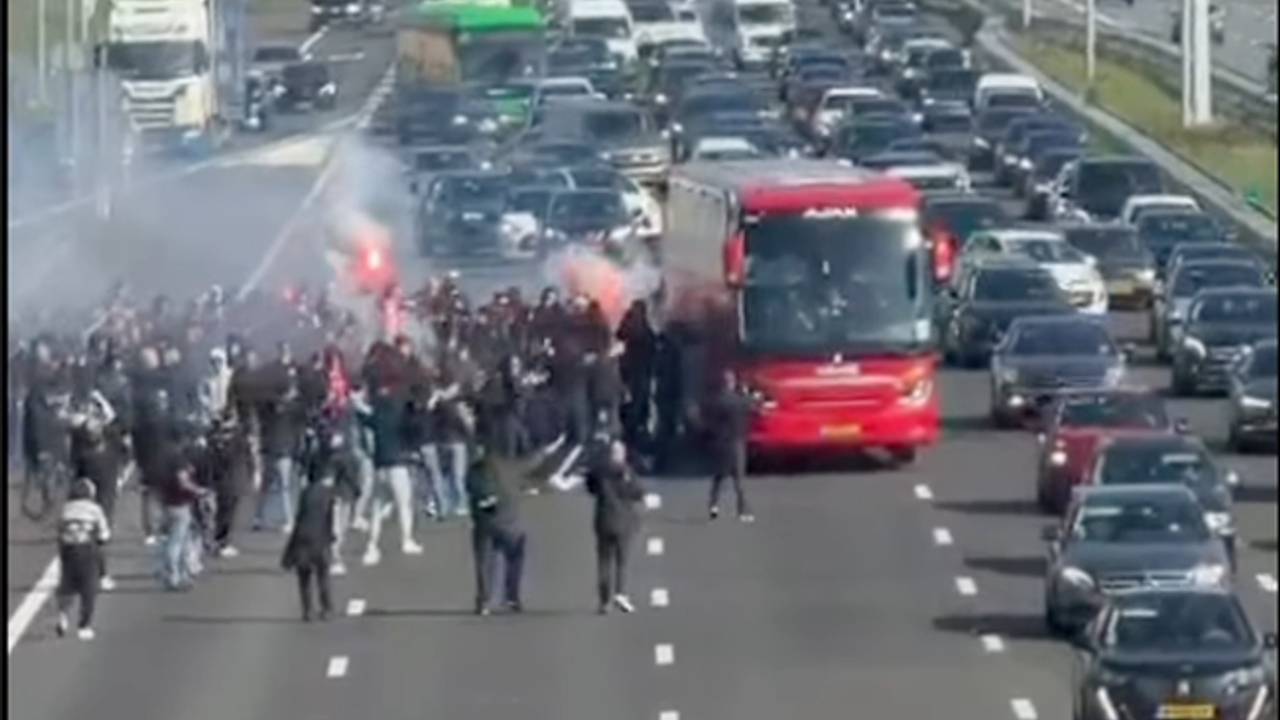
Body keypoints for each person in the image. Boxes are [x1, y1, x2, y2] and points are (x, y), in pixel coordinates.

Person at [585, 440, 645, 615]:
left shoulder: (599, 472)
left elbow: (590, 487)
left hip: (603, 520)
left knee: (604, 561)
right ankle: (621, 592)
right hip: (624, 521)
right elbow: (638, 491)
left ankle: (604, 601)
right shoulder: (627, 472)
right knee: (622, 560)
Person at [55, 478, 111, 640]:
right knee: (89, 588)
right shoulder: (94, 509)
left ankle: (63, 614)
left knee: (66, 586)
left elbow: (58, 528)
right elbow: (104, 533)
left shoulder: (65, 508)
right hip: (86, 550)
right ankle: (84, 625)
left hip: (67, 550)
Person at [281, 467, 337, 622]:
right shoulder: (328, 494)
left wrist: (289, 551)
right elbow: (329, 519)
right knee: (323, 576)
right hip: (321, 539)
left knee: (304, 578)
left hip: (303, 540)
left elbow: (299, 519)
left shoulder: (305, 493)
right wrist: (332, 538)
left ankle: (308, 610)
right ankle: (327, 608)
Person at [706, 370, 756, 523]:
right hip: (736, 442)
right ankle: (743, 511)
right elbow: (753, 407)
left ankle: (713, 506)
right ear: (733, 383)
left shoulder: (717, 401)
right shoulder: (740, 401)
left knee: (719, 477)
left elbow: (710, 422)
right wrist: (747, 393)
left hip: (721, 444)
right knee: (739, 479)